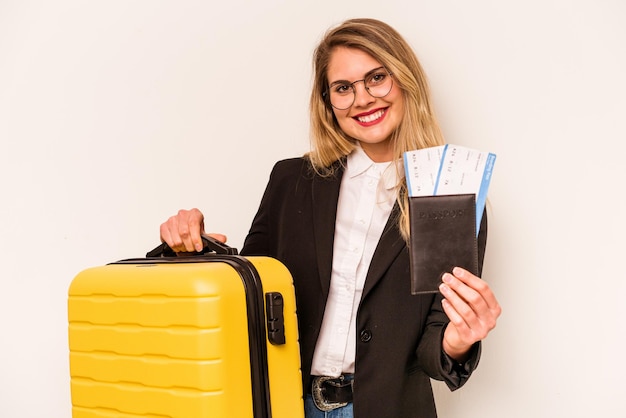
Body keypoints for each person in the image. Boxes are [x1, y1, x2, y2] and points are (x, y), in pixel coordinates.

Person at [160, 18, 501, 418]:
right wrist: (193, 249)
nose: (362, 99)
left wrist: (458, 340)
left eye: (376, 78)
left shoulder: (449, 197)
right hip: (285, 405)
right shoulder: (291, 182)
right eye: (343, 88)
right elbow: (248, 297)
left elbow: (433, 351)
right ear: (327, 101)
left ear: (405, 80)